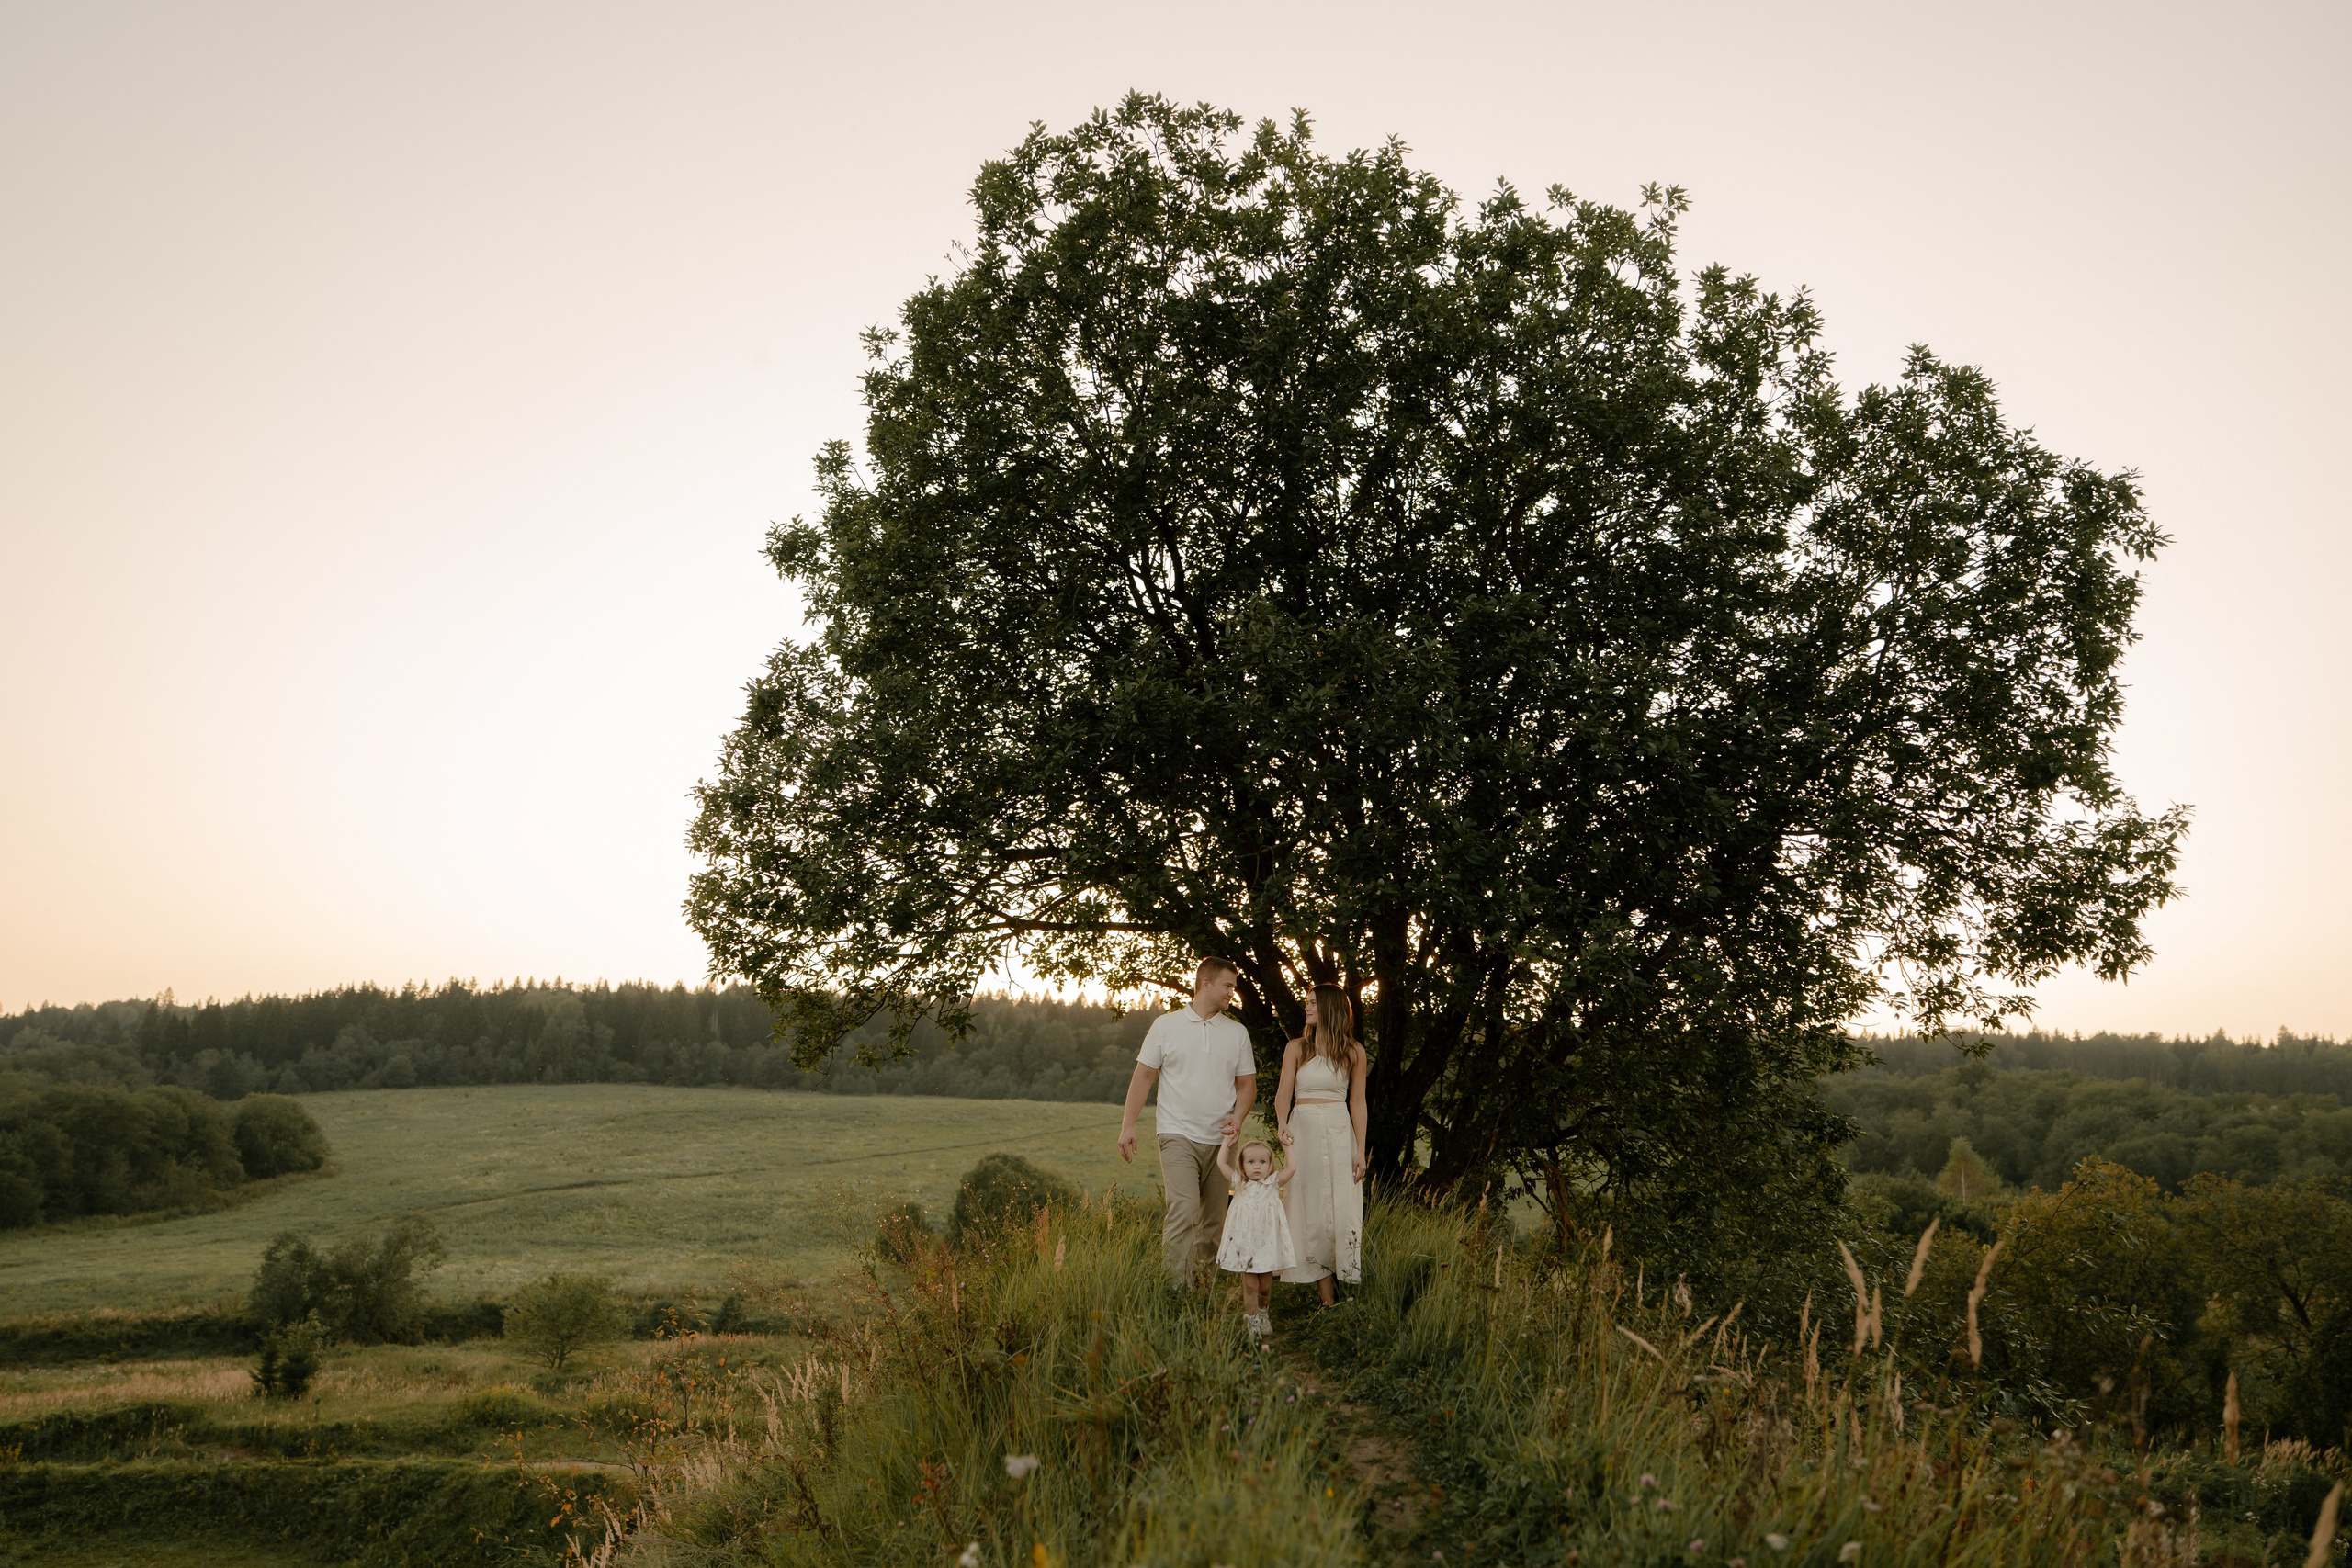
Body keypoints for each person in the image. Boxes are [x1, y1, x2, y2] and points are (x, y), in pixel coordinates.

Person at [1117, 957, 1257, 1288]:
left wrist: (1238, 1118)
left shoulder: (1237, 1033)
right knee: (1184, 1207)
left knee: (1214, 1221)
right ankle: (1174, 1290)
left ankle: (1202, 1291)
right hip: (1176, 1133)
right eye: (1227, 986)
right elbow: (1144, 1074)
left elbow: (1246, 1084)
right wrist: (1128, 1125)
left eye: (1234, 988)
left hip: (1222, 1141)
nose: (1231, 994)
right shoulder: (1166, 1026)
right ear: (1205, 983)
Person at [1274, 984, 1367, 1304]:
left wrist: (1360, 1149)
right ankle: (1326, 1298)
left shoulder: (1354, 1051)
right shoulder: (1297, 1047)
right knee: (1309, 1205)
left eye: (1313, 1003)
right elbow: (1284, 1092)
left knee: (1341, 1205)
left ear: (1329, 1007)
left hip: (1341, 1132)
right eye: (1307, 1002)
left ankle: (1346, 1281)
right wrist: (1282, 1123)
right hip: (1305, 1130)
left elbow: (1358, 1102)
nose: (1307, 1008)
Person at [1215, 1133, 1297, 1338]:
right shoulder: (1239, 1183)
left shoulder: (1273, 1183)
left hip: (1266, 1244)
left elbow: (1292, 1168)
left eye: (1262, 1162)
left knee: (1265, 1287)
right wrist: (1226, 1142)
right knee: (1250, 1285)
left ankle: (1262, 1313)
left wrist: (1287, 1146)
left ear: (1270, 1165)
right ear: (1243, 1166)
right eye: (1251, 1162)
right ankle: (1251, 1320)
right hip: (1246, 1244)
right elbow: (1221, 1162)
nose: (1257, 1166)